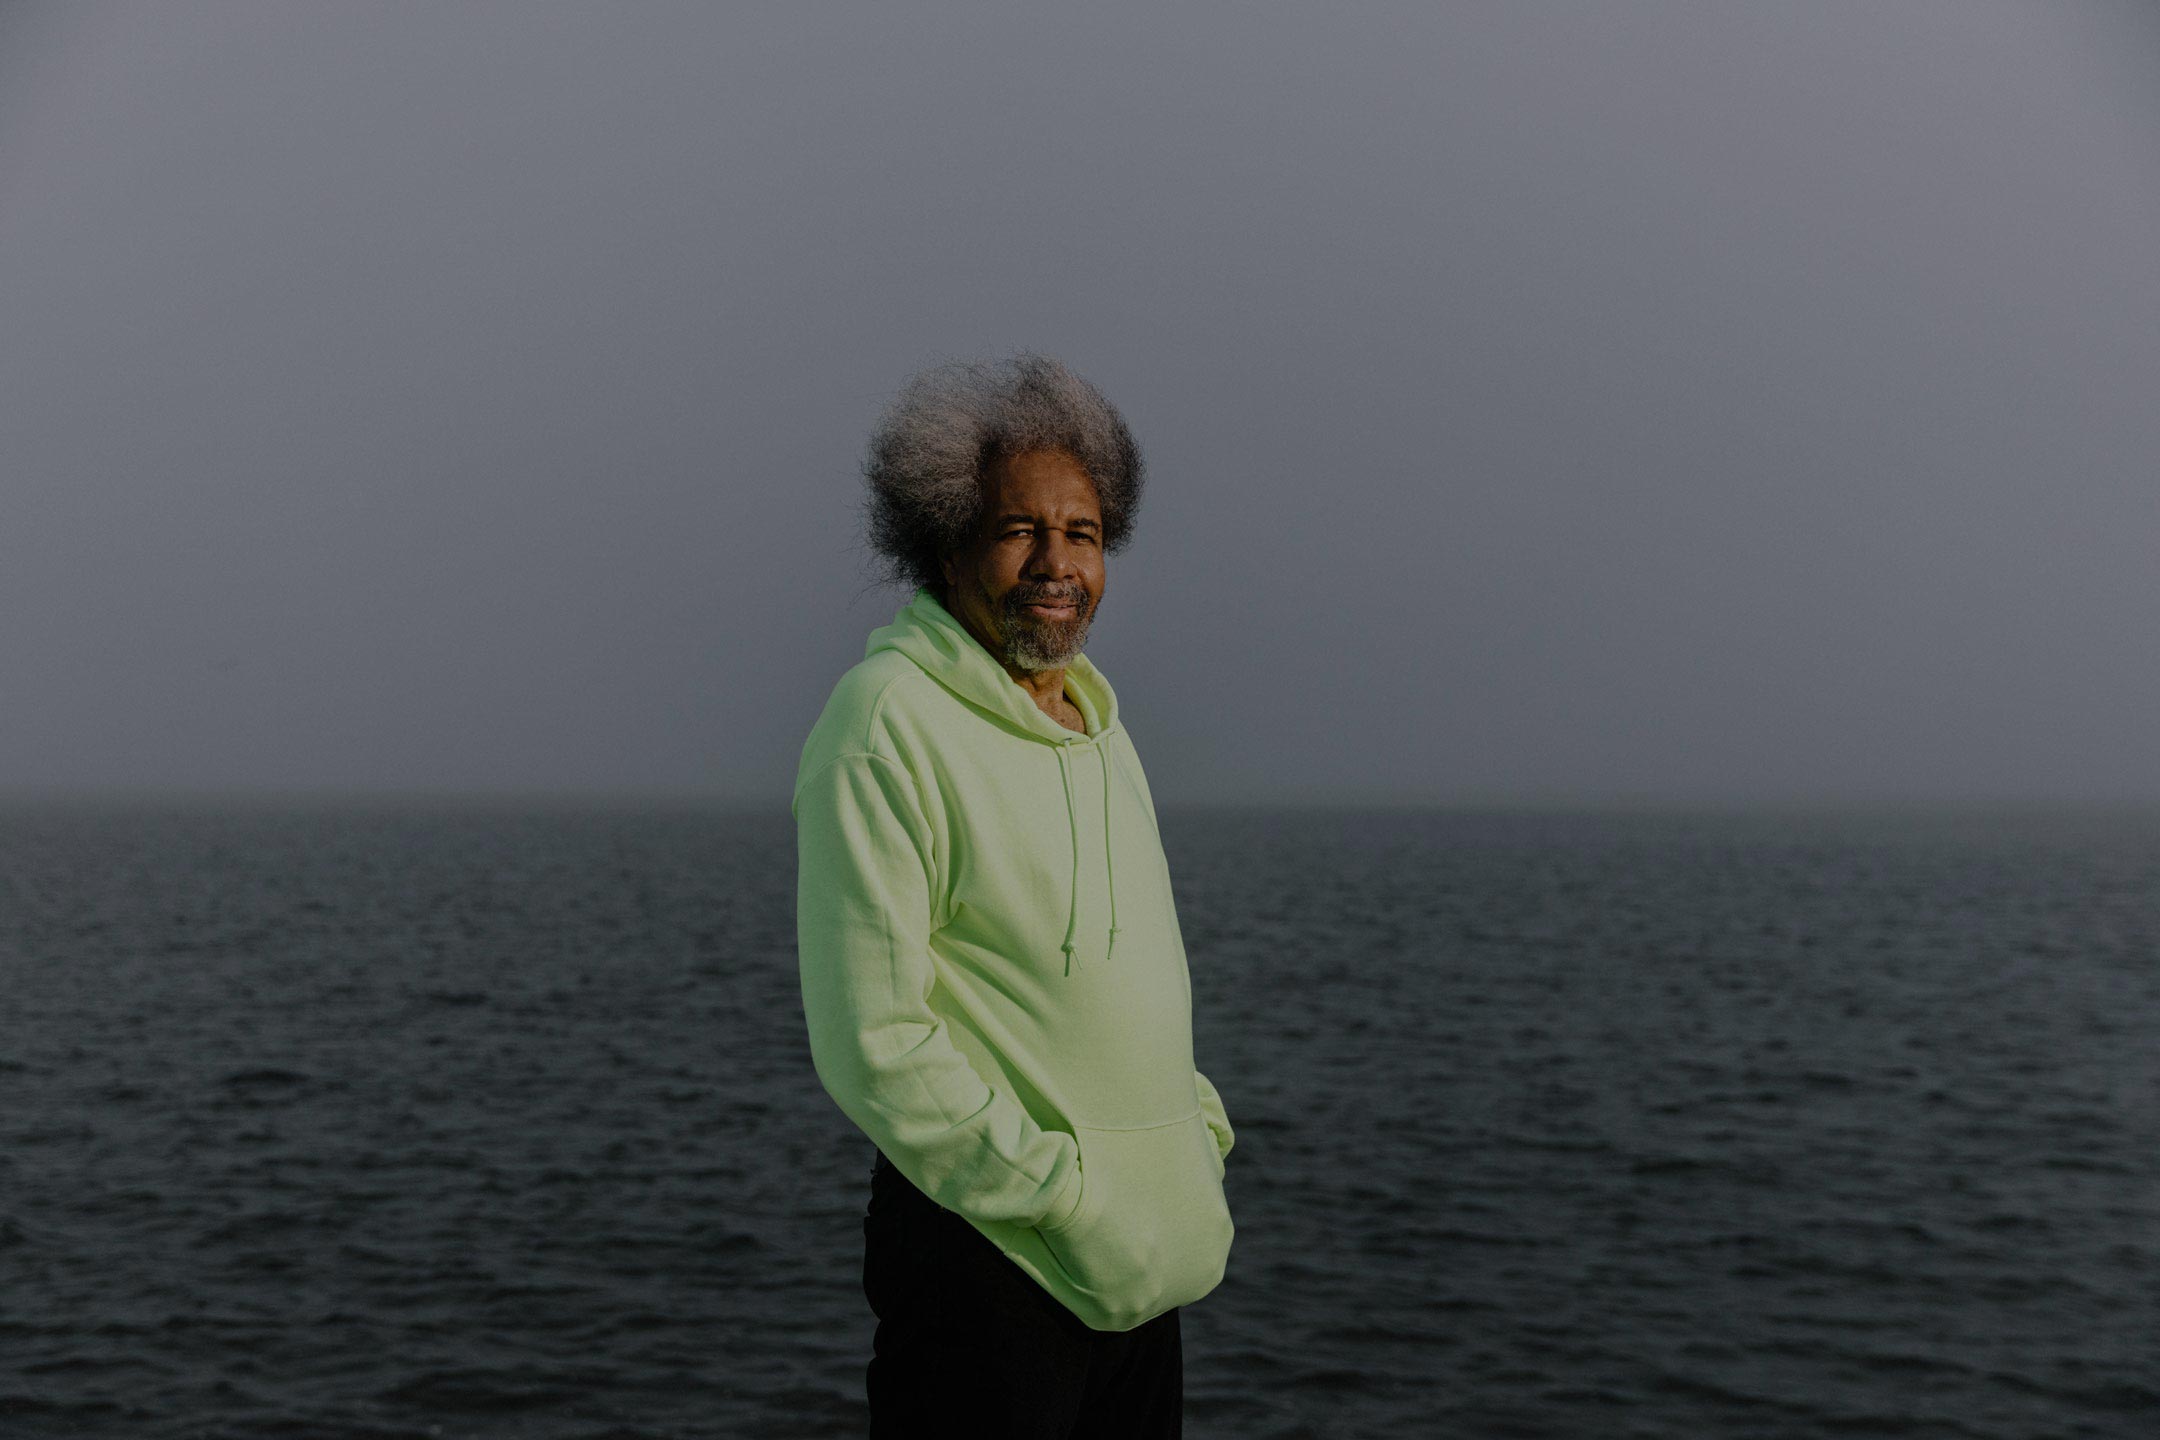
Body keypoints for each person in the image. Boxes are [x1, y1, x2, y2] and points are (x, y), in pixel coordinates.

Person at [793, 353, 1236, 1437]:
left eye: (1082, 533)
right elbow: (876, 1041)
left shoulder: (1099, 724)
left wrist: (1190, 1139)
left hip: (1137, 1268)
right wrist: (1065, 1198)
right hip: (987, 1261)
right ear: (945, 541)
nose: (1056, 562)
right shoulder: (885, 721)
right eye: (1018, 530)